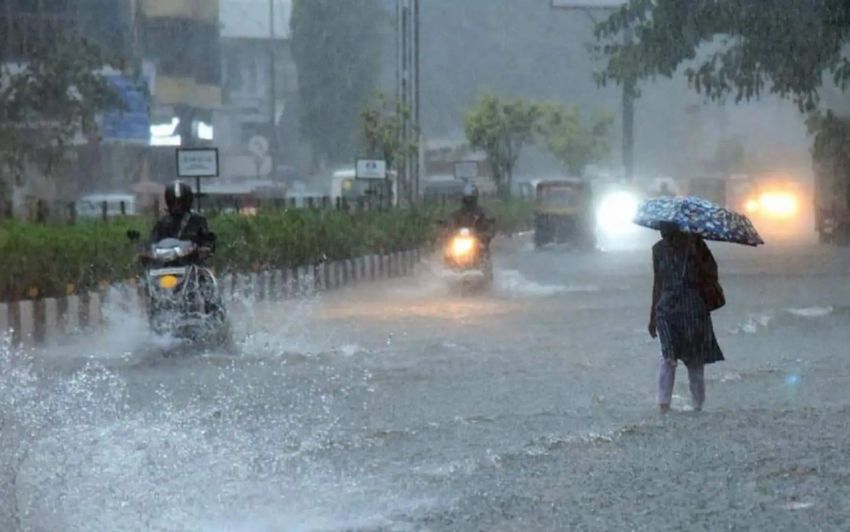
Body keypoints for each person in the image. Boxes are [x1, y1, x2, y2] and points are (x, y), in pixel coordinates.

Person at [648, 222, 724, 413]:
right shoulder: (658, 249)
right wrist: (652, 316)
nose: (662, 232)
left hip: (693, 307)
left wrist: (696, 260)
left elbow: (712, 271)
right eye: (660, 228)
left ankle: (697, 405)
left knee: (694, 360)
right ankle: (663, 405)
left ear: (676, 227)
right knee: (668, 357)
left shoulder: (695, 244)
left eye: (666, 227)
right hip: (666, 309)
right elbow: (658, 282)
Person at [151, 181, 216, 257]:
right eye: (173, 202)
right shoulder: (162, 222)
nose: (176, 206)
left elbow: (208, 238)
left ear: (187, 201)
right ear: (168, 202)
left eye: (180, 202)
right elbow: (153, 241)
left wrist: (206, 247)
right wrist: (147, 252)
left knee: (205, 269)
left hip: (192, 262)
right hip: (165, 263)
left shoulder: (198, 220)